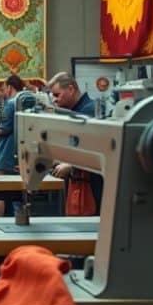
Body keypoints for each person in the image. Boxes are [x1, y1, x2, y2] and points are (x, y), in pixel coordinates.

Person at [48, 74, 102, 215]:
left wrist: (71, 165)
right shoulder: (76, 112)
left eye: (56, 95)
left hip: (93, 186)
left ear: (71, 89)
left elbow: (95, 148)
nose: (54, 100)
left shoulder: (88, 112)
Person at [0, 74, 25, 216]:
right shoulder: (29, 100)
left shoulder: (11, 103)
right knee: (19, 192)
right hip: (21, 151)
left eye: (5, 88)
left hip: (6, 152)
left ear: (10, 87)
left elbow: (1, 129)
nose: (4, 91)